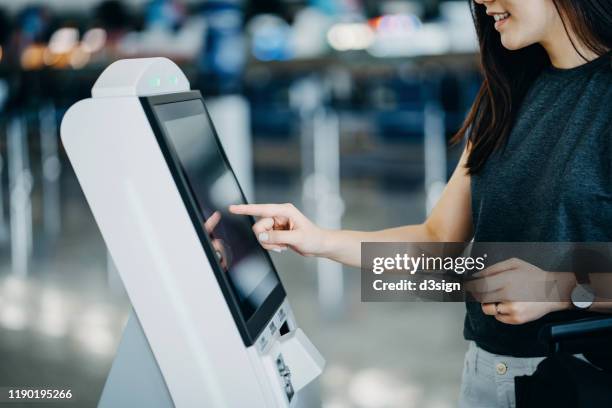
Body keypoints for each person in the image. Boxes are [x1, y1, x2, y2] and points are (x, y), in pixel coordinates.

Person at [230, 0, 612, 406]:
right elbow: (436, 243)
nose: (481, 1)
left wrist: (559, 287)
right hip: (487, 374)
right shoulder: (504, 94)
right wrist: (318, 240)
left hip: (581, 379)